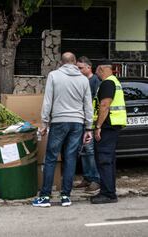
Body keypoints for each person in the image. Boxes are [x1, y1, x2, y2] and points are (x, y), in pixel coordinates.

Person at [32, 52, 93, 207]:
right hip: (77, 123)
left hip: (59, 121)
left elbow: (48, 101)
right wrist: (89, 128)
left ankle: (45, 197)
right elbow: (88, 105)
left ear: (61, 62)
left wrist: (44, 123)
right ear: (74, 62)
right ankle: (66, 196)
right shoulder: (83, 79)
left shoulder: (54, 75)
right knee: (70, 158)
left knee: (51, 158)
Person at [90, 61, 127, 204]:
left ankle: (108, 194)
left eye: (97, 70)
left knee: (104, 160)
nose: (96, 73)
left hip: (107, 126)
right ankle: (108, 191)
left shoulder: (107, 83)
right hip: (113, 126)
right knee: (109, 160)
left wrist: (98, 126)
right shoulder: (114, 81)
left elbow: (105, 105)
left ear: (101, 69)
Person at [75, 56, 101, 193]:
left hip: (90, 122)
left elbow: (97, 103)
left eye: (80, 68)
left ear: (88, 67)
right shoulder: (82, 81)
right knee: (84, 151)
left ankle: (95, 179)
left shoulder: (95, 81)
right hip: (83, 120)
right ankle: (87, 177)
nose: (78, 70)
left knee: (90, 151)